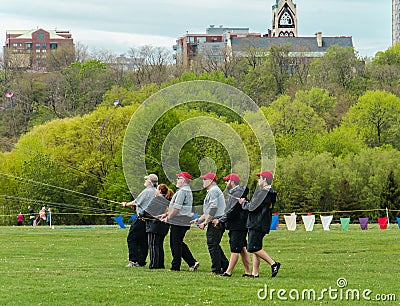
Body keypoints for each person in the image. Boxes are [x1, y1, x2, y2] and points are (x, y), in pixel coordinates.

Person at [239, 171, 280, 278]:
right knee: (256, 247)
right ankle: (255, 273)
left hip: (256, 223)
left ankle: (273, 263)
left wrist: (243, 203)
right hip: (262, 223)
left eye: (260, 178)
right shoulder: (270, 193)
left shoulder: (263, 193)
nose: (258, 180)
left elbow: (252, 207)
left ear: (265, 180)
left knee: (253, 247)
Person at [212, 173, 251, 277]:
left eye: (227, 181)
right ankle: (248, 272)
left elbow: (232, 211)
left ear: (232, 182)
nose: (226, 183)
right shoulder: (235, 192)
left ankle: (228, 272)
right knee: (242, 248)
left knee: (234, 249)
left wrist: (220, 221)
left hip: (237, 225)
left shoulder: (236, 193)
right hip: (239, 225)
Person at [160, 172, 199, 272]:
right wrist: (167, 214)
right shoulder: (186, 190)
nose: (177, 180)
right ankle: (192, 262)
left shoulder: (182, 191)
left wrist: (168, 217)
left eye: (179, 178)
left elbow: (177, 208)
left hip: (179, 219)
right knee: (179, 242)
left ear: (184, 180)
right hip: (183, 219)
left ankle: (175, 266)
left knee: (175, 243)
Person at [192, 172, 228, 275]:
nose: (203, 182)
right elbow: (208, 210)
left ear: (211, 181)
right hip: (215, 219)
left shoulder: (213, 191)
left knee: (212, 244)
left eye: (205, 179)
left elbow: (213, 208)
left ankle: (216, 269)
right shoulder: (213, 191)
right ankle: (225, 265)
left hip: (215, 220)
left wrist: (205, 222)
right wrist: (199, 219)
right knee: (214, 244)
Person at [122, 174, 158, 267]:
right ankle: (141, 261)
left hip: (141, 219)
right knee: (143, 240)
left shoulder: (147, 191)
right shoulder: (155, 191)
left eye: (146, 180)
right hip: (149, 220)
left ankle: (133, 260)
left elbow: (136, 202)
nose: (145, 181)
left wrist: (126, 204)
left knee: (132, 238)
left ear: (149, 182)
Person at [143, 184, 173, 269]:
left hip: (154, 225)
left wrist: (141, 215)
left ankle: (154, 265)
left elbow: (147, 211)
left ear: (159, 190)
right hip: (164, 226)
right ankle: (160, 264)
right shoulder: (167, 200)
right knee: (159, 245)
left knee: (153, 245)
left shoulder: (157, 199)